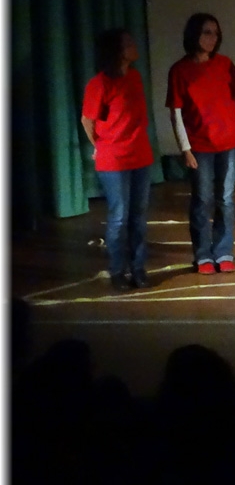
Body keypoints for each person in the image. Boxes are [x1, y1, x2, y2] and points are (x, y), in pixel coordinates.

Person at [166, 13, 235, 275]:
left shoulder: (225, 64)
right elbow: (176, 113)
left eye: (216, 33)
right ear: (194, 34)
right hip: (200, 146)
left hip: (230, 142)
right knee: (202, 200)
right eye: (207, 32)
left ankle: (224, 251)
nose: (212, 38)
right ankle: (203, 254)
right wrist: (185, 148)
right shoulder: (180, 70)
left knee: (225, 200)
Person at [81, 28, 155, 290]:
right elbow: (87, 120)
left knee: (138, 217)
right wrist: (100, 145)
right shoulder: (99, 84)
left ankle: (138, 269)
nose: (134, 46)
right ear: (117, 51)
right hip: (114, 160)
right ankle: (117, 271)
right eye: (128, 44)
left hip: (140, 155)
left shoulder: (134, 77)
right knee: (119, 216)